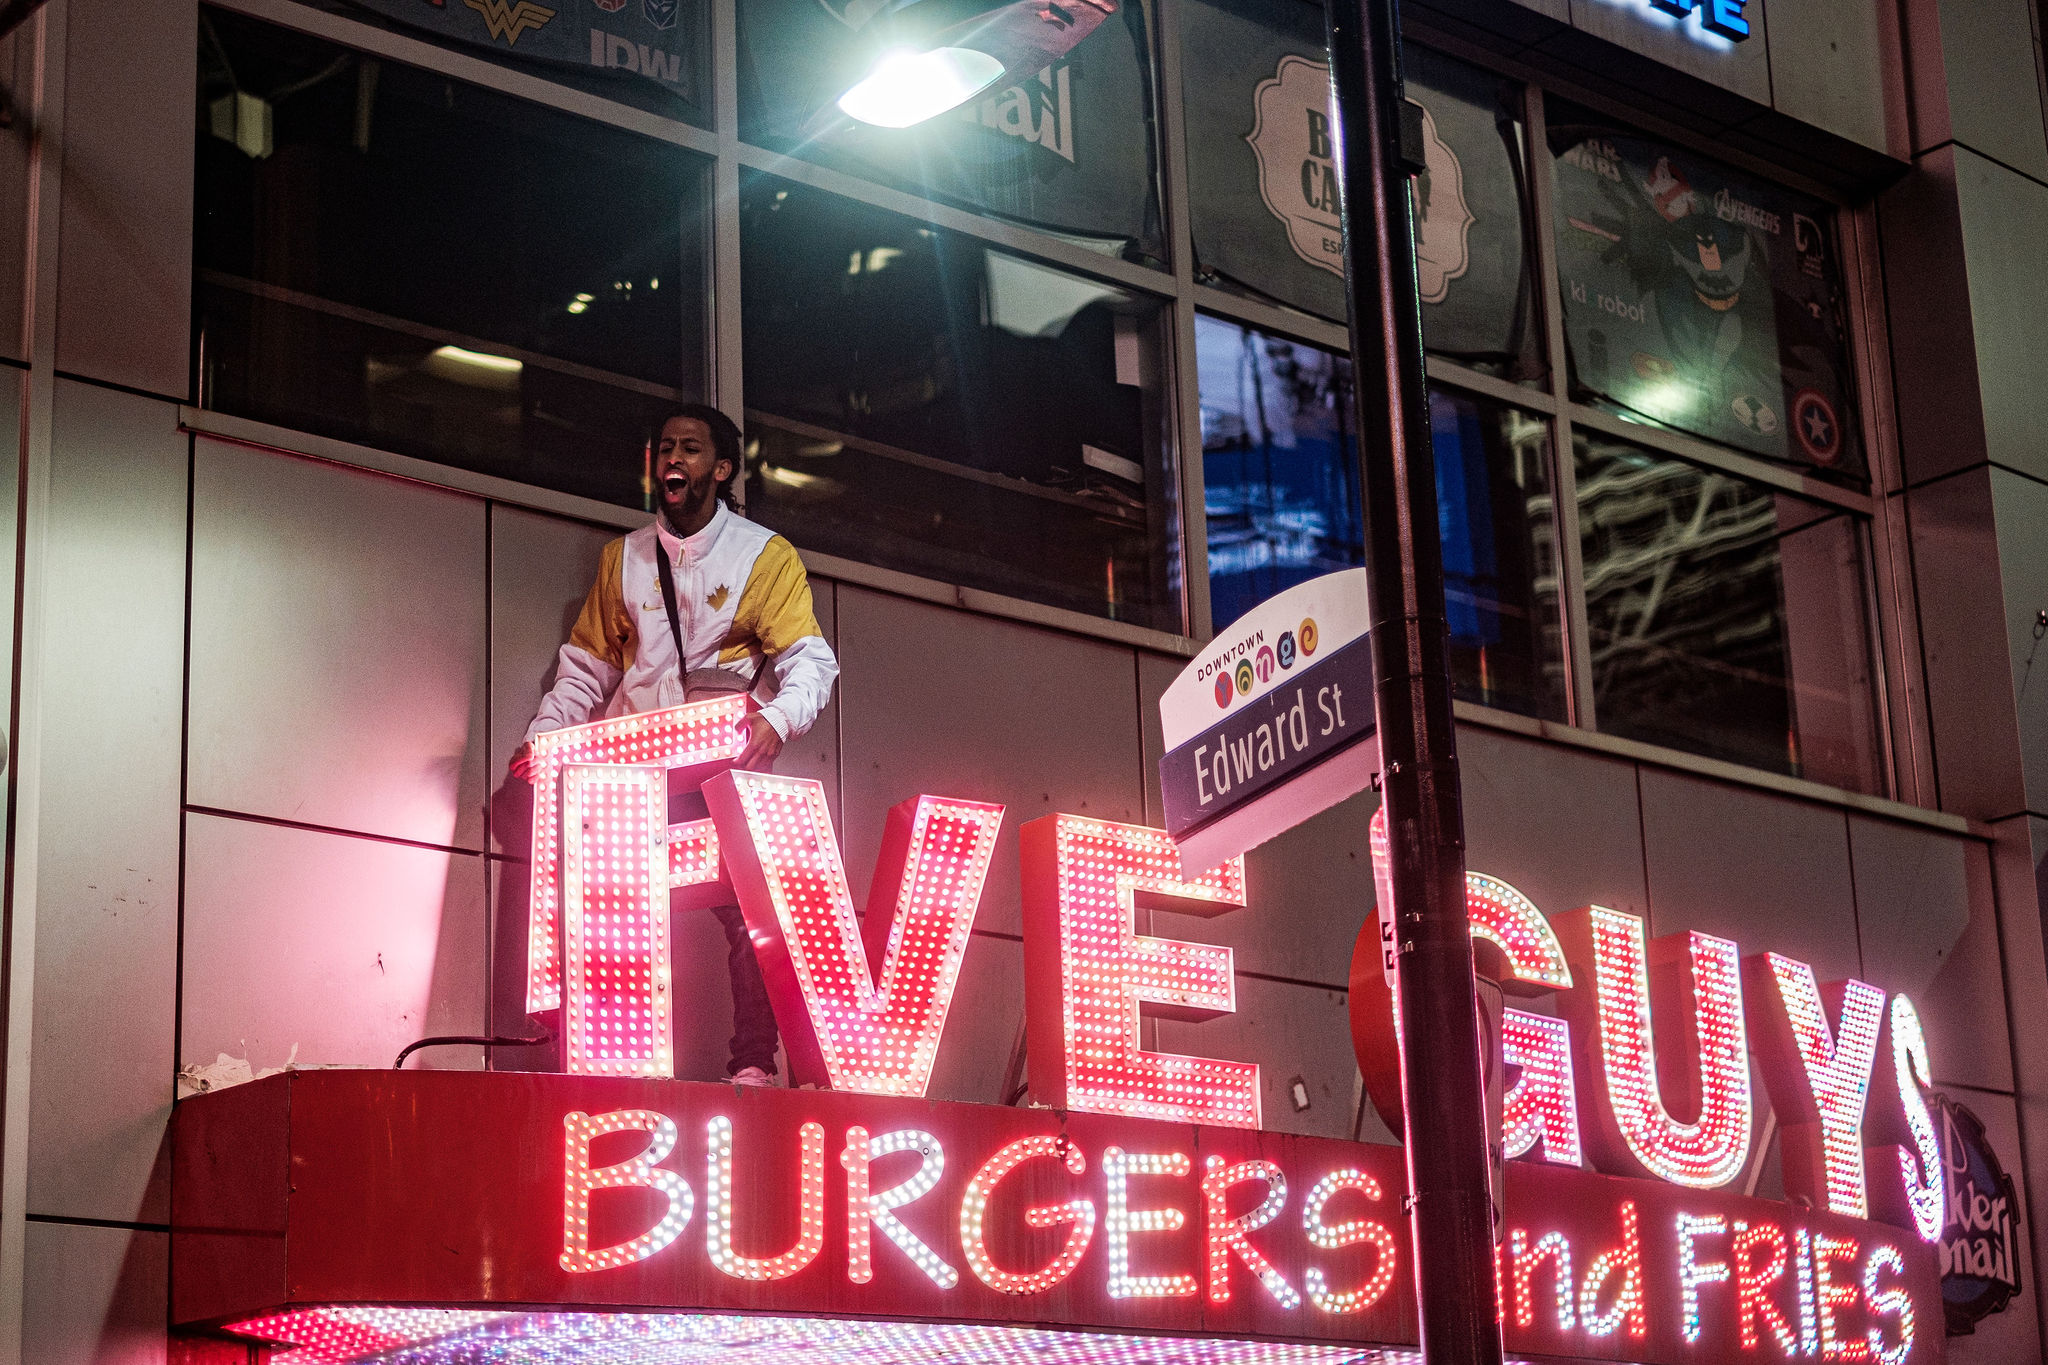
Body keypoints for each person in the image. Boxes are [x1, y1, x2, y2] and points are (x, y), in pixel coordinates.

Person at [510, 405, 839, 1086]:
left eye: (690, 449)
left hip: (717, 764)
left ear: (721, 469)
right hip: (634, 776)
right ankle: (600, 1054)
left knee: (755, 908)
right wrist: (542, 742)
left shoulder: (762, 553)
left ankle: (753, 1061)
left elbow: (813, 661)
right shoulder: (623, 557)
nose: (672, 460)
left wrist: (777, 721)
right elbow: (584, 671)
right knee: (605, 909)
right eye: (665, 448)